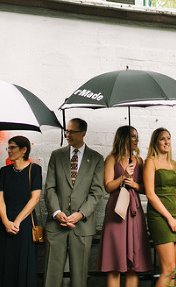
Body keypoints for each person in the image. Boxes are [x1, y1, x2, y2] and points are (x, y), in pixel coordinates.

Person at [44, 118, 105, 287]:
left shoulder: (97, 159)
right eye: (67, 131)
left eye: (72, 131)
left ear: (83, 133)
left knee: (79, 277)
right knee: (51, 275)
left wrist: (80, 214)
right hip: (56, 225)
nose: (68, 135)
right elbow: (50, 188)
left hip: (82, 226)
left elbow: (97, 192)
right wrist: (57, 213)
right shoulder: (57, 155)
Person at [97, 126, 153, 287]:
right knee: (114, 262)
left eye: (137, 136)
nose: (136, 140)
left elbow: (146, 188)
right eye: (133, 137)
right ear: (123, 139)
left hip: (134, 212)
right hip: (117, 211)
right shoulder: (111, 159)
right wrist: (123, 176)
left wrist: (134, 184)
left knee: (133, 265)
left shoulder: (140, 161)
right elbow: (107, 186)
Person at [0, 135, 42, 287]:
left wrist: (17, 222)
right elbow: (0, 198)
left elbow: (35, 198)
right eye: (8, 147)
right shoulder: (4, 171)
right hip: (4, 224)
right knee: (4, 263)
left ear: (23, 150)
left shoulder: (35, 170)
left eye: (12, 147)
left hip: (24, 225)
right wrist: (6, 222)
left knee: (23, 264)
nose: (9, 151)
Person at [144, 127, 176, 287]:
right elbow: (150, 194)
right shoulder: (151, 162)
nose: (166, 141)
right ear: (155, 142)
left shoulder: (173, 164)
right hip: (160, 217)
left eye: (168, 138)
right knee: (168, 269)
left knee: (172, 269)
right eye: (162, 138)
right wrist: (169, 218)